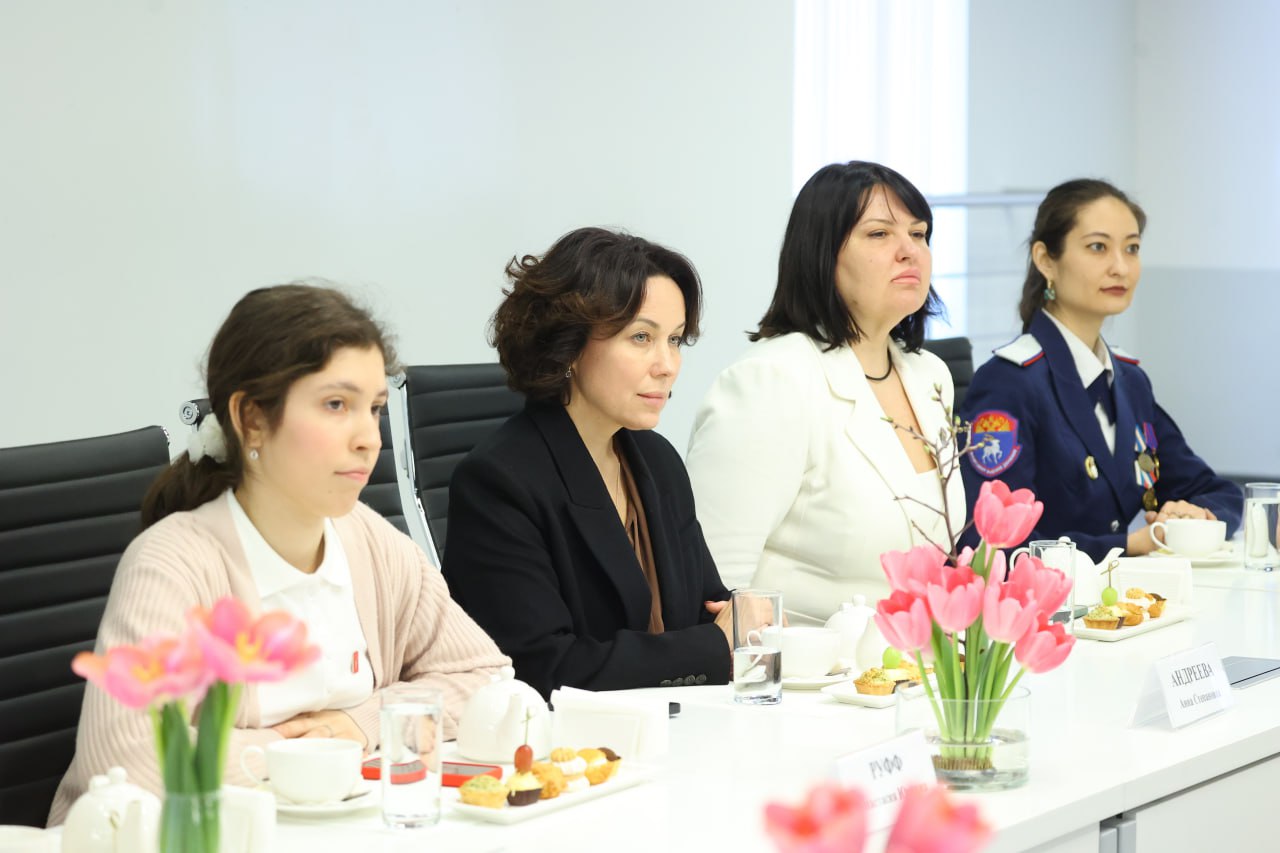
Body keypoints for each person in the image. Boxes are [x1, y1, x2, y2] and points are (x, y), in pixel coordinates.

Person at [50, 284, 509, 824]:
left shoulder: (370, 540)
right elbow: (129, 760)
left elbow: (486, 678)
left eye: (374, 409)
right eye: (336, 405)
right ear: (250, 419)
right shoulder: (174, 562)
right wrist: (299, 753)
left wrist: (358, 723)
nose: (369, 438)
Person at [443, 227, 736, 699]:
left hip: (675, 725)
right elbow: (542, 667)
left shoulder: (657, 459)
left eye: (675, 340)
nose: (667, 364)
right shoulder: (499, 482)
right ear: (570, 344)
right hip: (564, 739)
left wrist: (745, 621)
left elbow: (707, 610)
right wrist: (716, 646)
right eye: (641, 337)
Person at [685, 161, 963, 626]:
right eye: (879, 234)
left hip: (913, 658)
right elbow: (712, 590)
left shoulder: (929, 375)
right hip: (807, 665)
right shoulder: (771, 381)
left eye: (919, 234)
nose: (909, 251)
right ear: (821, 254)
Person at [959, 179, 1241, 561]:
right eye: (1098, 247)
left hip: (1119, 594)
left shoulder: (1129, 381)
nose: (1120, 267)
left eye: (1132, 248)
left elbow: (1217, 492)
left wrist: (1195, 517)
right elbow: (987, 546)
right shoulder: (1009, 383)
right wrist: (1125, 545)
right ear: (1046, 260)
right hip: (1048, 598)